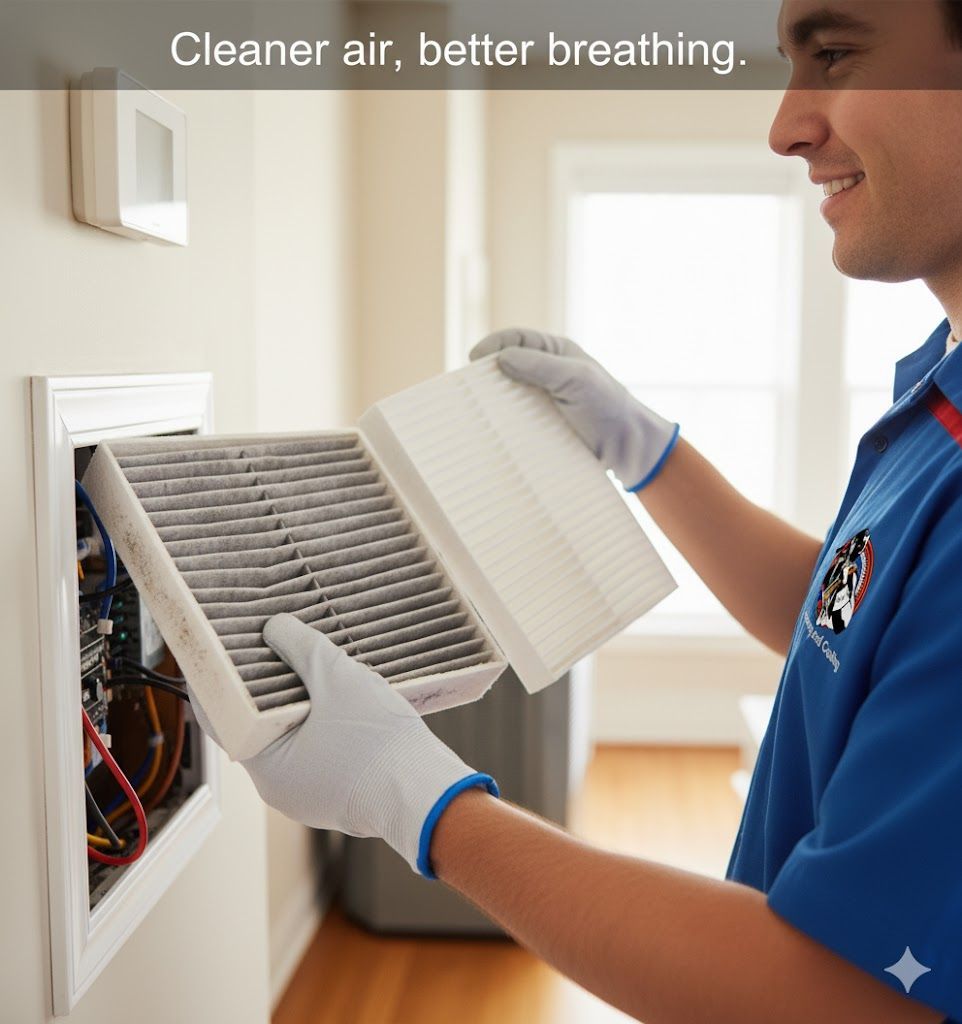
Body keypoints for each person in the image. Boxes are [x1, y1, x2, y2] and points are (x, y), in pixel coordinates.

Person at [207, 2, 962, 1021]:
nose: (783, 125)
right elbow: (845, 626)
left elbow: (834, 995)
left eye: (832, 56)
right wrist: (646, 452)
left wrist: (417, 798)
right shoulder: (938, 394)